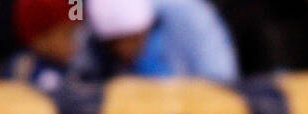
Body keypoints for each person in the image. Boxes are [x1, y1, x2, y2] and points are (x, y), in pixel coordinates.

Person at [85, 0, 239, 81]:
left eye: (132, 40)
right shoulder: (93, 45)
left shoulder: (192, 19)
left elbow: (221, 83)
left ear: (145, 28)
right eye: (113, 43)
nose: (123, 50)